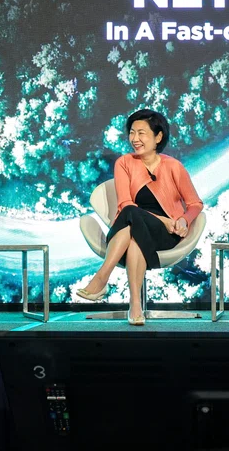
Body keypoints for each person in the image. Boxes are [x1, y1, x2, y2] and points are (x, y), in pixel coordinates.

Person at [76, 109, 203, 326]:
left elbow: (194, 204)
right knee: (132, 218)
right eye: (132, 133)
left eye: (141, 133)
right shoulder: (124, 163)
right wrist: (164, 219)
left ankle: (102, 278)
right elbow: (125, 203)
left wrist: (183, 220)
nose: (135, 139)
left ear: (158, 137)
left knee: (133, 219)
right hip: (129, 226)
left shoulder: (173, 166)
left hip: (165, 234)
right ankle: (135, 305)